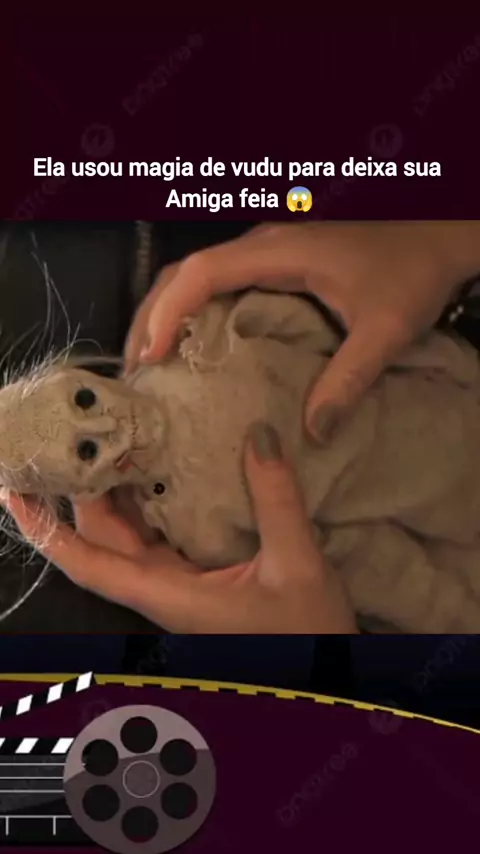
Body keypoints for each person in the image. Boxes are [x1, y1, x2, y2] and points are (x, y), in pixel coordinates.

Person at [4, 221, 480, 634]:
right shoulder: (198, 527)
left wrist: (446, 244)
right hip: (444, 524)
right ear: (88, 489)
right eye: (87, 452)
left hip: (438, 397)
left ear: (80, 376)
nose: (109, 425)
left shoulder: (197, 339)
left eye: (85, 401)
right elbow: (359, 563)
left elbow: (307, 326)